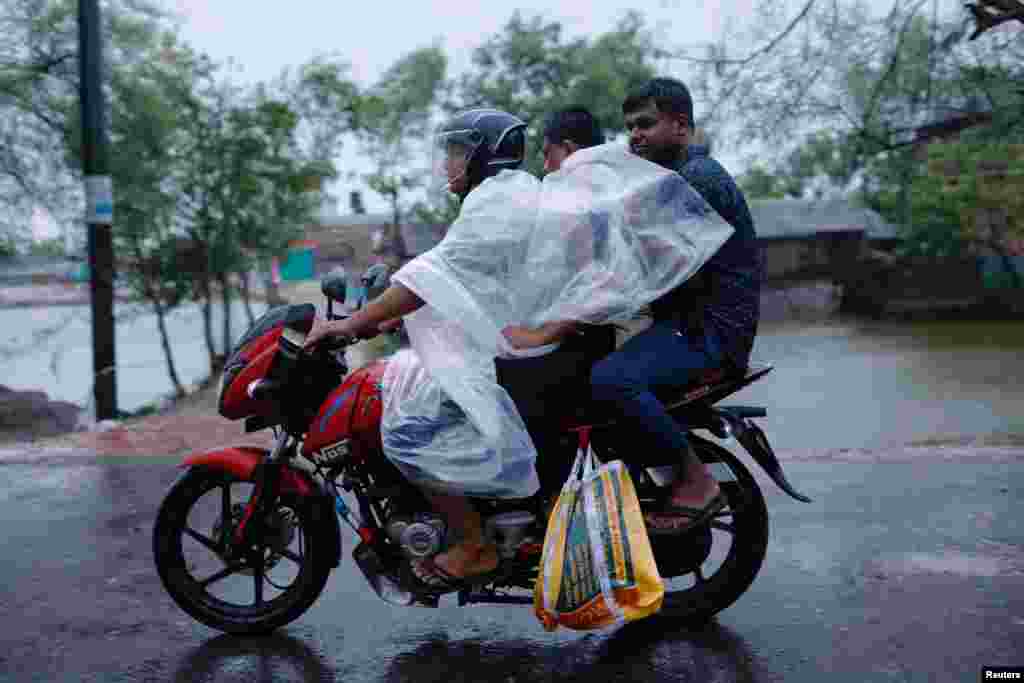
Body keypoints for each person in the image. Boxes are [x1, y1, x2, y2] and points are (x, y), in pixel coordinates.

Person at [505, 78, 762, 535]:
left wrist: (552, 329)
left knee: (612, 377)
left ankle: (697, 481)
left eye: (647, 124)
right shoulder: (667, 180)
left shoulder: (695, 181)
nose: (635, 136)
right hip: (686, 324)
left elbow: (634, 272)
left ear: (681, 126)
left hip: (709, 333)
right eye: (630, 127)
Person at [304, 108, 532, 589]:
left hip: (505, 351)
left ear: (483, 155)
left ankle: (473, 543)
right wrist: (378, 319)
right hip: (508, 339)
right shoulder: (505, 196)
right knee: (402, 380)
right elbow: (443, 275)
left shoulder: (497, 203)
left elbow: (431, 277)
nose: (448, 162)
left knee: (406, 429)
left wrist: (352, 324)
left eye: (456, 151)